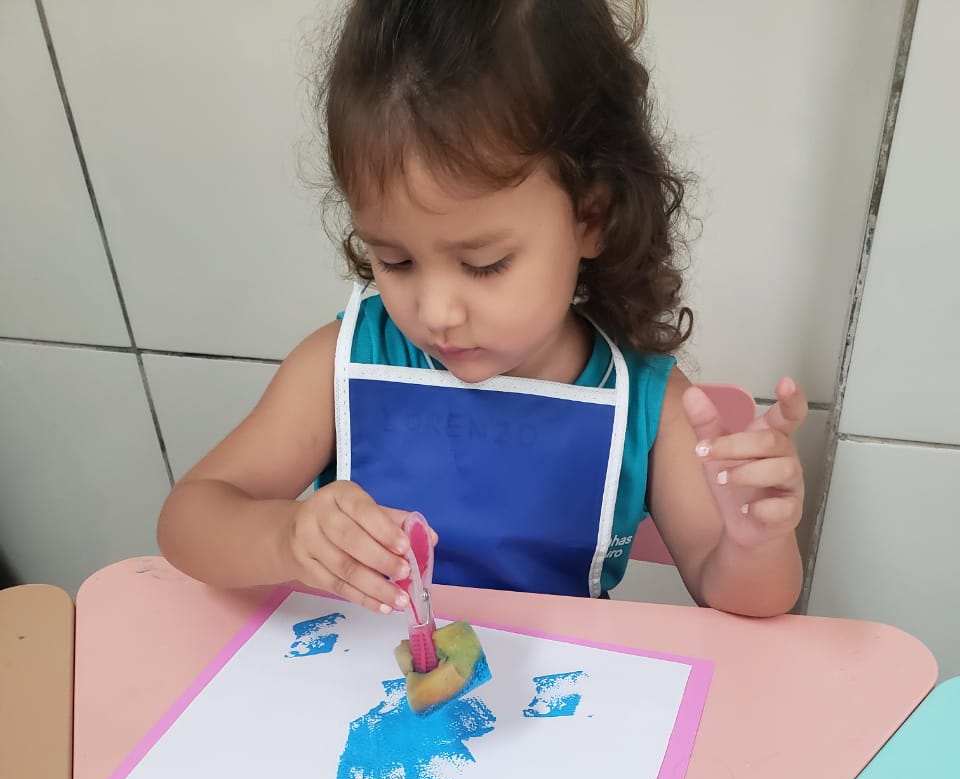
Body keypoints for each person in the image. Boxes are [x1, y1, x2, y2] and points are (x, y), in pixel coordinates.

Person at [158, 0, 806, 618]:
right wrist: (286, 536)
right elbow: (188, 519)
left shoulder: (647, 406)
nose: (438, 312)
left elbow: (744, 599)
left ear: (591, 218)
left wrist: (754, 542)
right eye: (396, 260)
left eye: (484, 264)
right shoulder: (339, 366)